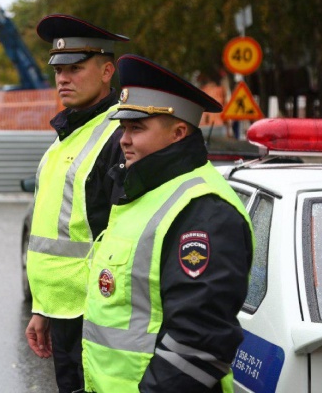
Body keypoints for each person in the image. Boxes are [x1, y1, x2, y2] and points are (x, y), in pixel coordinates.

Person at [81, 55, 254, 393]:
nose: (123, 141)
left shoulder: (204, 211)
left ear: (178, 132)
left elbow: (200, 344)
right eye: (123, 128)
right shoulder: (145, 190)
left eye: (137, 128)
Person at [24, 14, 129, 393]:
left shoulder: (120, 136)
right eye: (58, 69)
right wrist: (42, 307)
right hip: (64, 309)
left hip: (100, 314)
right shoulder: (67, 135)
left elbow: (125, 236)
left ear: (106, 71)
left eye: (75, 68)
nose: (63, 78)